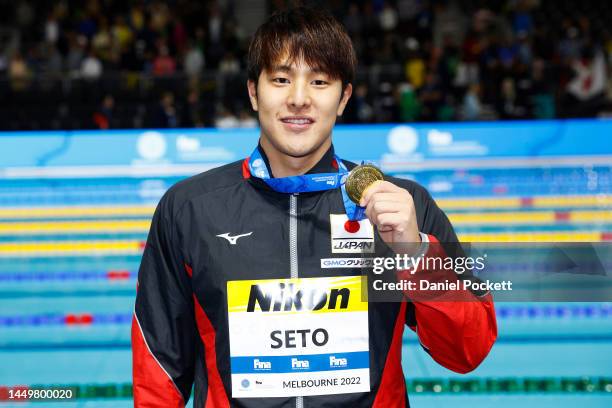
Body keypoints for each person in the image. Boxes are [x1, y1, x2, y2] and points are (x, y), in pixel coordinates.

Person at [132, 7, 497, 407]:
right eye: (281, 79)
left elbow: (467, 350)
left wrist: (417, 252)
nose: (299, 99)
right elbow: (159, 371)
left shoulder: (403, 207)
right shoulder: (189, 210)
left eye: (320, 81)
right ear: (254, 91)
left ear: (343, 98)